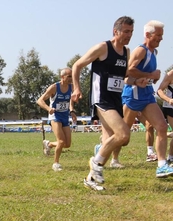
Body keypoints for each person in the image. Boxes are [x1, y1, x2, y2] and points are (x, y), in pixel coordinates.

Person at [71, 16, 142, 190]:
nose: (129, 35)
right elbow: (77, 65)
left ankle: (91, 179)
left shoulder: (126, 52)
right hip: (101, 99)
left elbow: (123, 76)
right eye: (126, 31)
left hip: (115, 100)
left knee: (116, 140)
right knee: (123, 134)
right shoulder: (103, 48)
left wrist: (137, 80)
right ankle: (95, 163)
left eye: (131, 32)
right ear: (115, 31)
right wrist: (76, 88)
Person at [121, 20, 173, 178]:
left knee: (162, 127)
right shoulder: (140, 50)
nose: (161, 39)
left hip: (147, 95)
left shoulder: (154, 53)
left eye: (162, 36)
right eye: (158, 35)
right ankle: (105, 149)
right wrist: (150, 75)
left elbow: (147, 76)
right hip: (133, 94)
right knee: (122, 136)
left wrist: (152, 79)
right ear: (147, 35)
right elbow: (128, 71)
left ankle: (162, 165)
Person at [37, 68, 76, 171]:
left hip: (65, 116)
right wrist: (48, 108)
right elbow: (40, 100)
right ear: (62, 77)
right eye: (69, 76)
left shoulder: (71, 87)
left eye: (72, 76)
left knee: (67, 144)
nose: (71, 79)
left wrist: (72, 111)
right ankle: (56, 163)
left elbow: (71, 101)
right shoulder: (54, 87)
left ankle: (49, 144)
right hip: (55, 117)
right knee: (61, 141)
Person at [157, 69, 173, 163]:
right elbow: (159, 90)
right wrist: (169, 99)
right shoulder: (170, 74)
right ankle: (170, 157)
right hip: (170, 107)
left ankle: (165, 134)